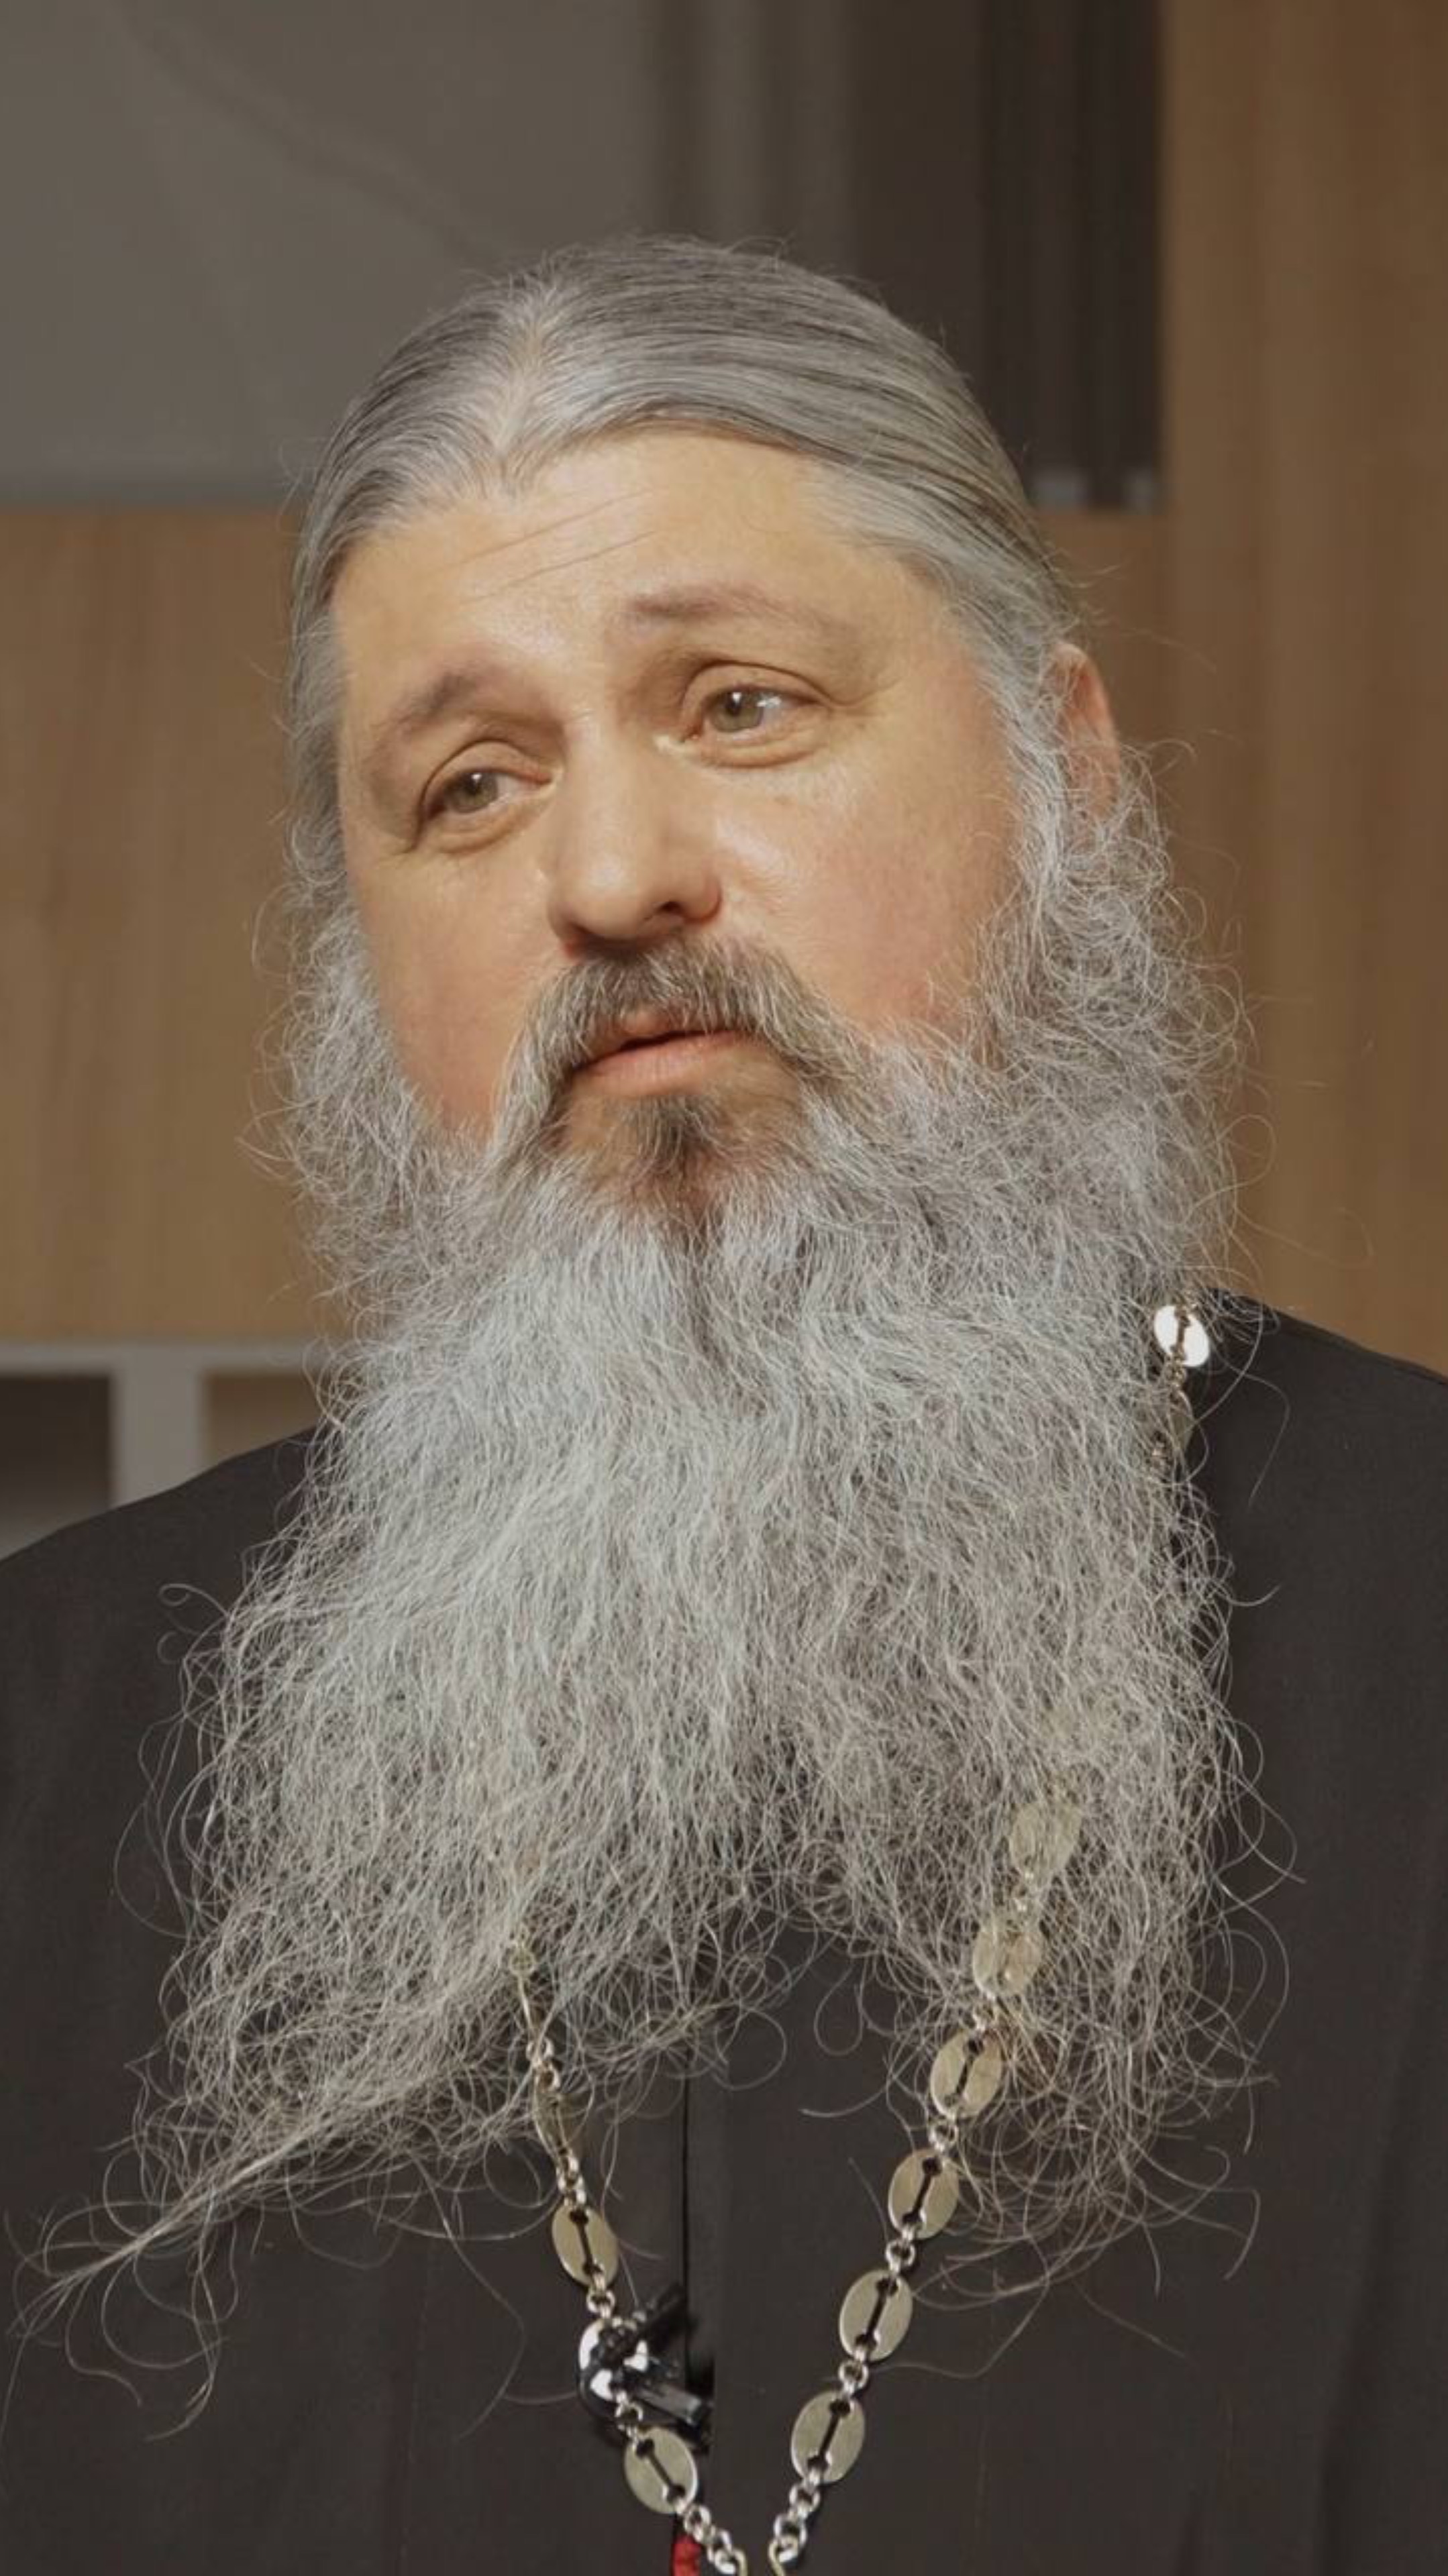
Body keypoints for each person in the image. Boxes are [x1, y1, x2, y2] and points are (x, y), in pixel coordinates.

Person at [2, 233, 1445, 2576]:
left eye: (743, 706)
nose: (610, 876)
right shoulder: (45, 1735)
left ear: (1065, 776)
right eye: (470, 784)